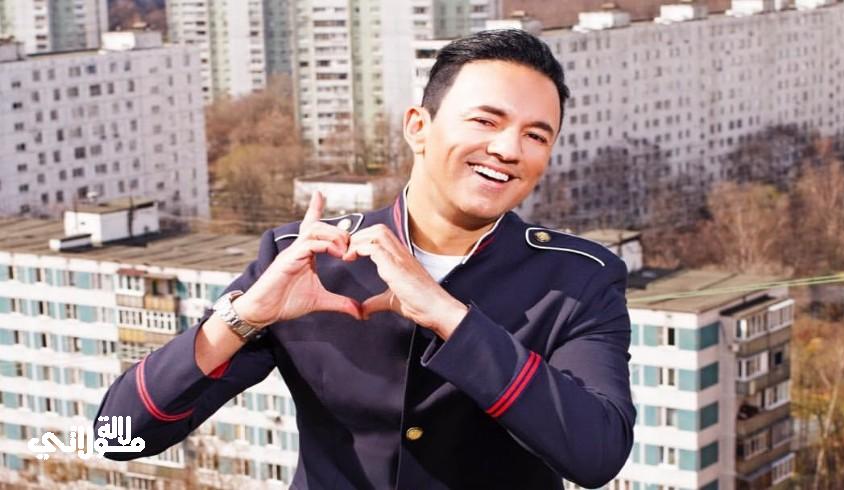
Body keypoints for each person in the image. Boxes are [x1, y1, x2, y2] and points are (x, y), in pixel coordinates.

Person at [94, 29, 635, 489]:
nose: (509, 149)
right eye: (485, 121)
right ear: (418, 127)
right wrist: (245, 316)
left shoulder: (577, 279)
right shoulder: (310, 258)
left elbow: (596, 453)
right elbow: (119, 434)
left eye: (536, 135)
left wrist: (450, 317)